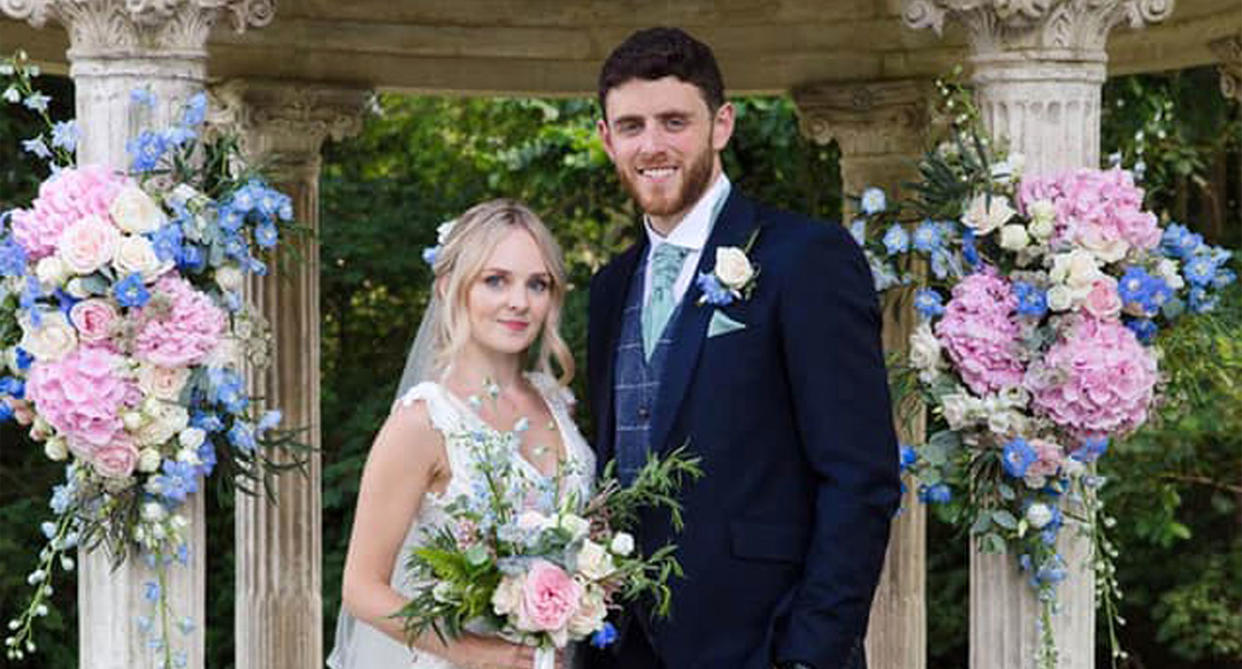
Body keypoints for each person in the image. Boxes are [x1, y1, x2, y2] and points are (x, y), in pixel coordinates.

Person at [584, 27, 901, 669]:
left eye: (675, 121)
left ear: (720, 124)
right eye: (632, 125)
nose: (653, 145)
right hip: (625, 649)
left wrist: (809, 653)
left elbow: (860, 477)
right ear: (606, 137)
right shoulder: (608, 286)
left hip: (765, 645)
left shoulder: (805, 257)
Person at [328, 199, 592, 669]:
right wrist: (476, 653)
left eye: (537, 284)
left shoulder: (558, 402)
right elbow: (362, 589)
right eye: (496, 280)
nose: (519, 301)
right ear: (451, 286)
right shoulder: (423, 422)